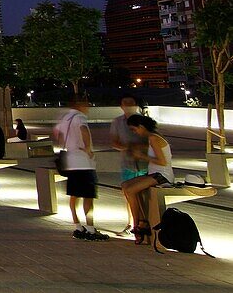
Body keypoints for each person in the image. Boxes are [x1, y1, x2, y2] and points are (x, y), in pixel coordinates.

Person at [53, 94, 108, 241]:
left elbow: (57, 133)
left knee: (74, 196)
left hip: (70, 163)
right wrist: (88, 149)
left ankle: (77, 227)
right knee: (88, 197)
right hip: (83, 163)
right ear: (80, 104)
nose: (88, 106)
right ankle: (90, 229)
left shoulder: (66, 117)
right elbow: (83, 130)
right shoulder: (80, 117)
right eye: (86, 103)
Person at [121, 114, 175, 244]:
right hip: (155, 174)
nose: (135, 133)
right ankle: (142, 221)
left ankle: (138, 224)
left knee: (130, 190)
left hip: (162, 175)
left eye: (135, 130)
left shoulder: (153, 138)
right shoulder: (153, 137)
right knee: (125, 186)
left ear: (141, 126)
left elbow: (162, 161)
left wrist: (143, 157)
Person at [109, 93, 147, 233]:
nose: (128, 106)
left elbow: (153, 141)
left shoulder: (145, 120)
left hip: (144, 164)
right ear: (121, 106)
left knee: (144, 194)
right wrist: (128, 147)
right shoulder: (117, 122)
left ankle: (144, 221)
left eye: (131, 103)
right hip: (127, 163)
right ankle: (131, 223)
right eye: (126, 103)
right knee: (128, 193)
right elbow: (114, 141)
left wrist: (138, 149)